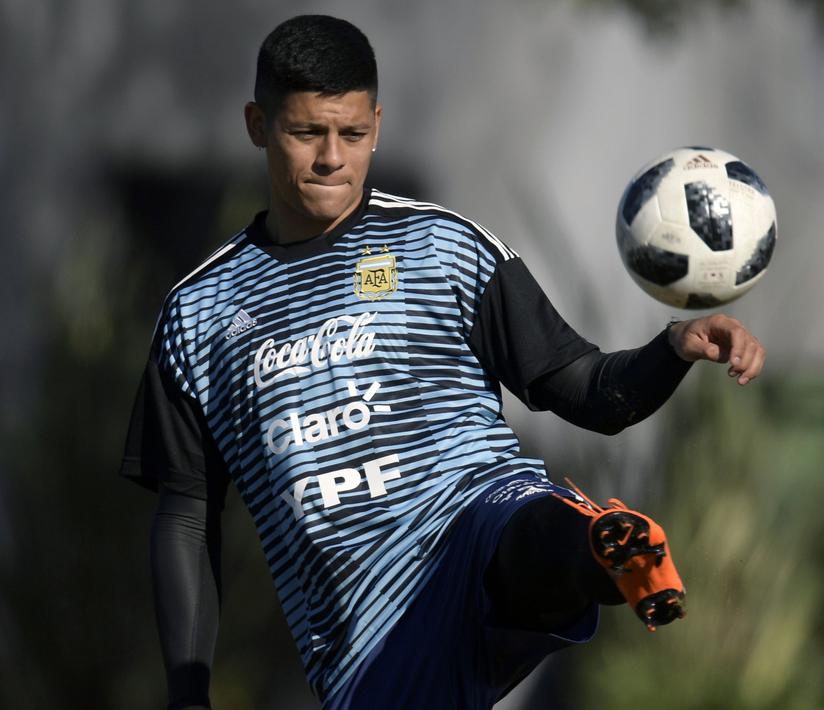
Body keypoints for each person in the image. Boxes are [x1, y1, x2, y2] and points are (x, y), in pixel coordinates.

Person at [119, 15, 766, 710]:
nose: (333, 157)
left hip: (472, 520)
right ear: (257, 124)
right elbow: (187, 514)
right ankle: (595, 554)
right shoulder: (198, 313)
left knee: (525, 526)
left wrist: (670, 351)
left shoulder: (443, 247)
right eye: (307, 133)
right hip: (366, 634)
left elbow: (584, 390)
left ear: (376, 120)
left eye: (354, 134)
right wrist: (188, 693)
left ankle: (606, 553)